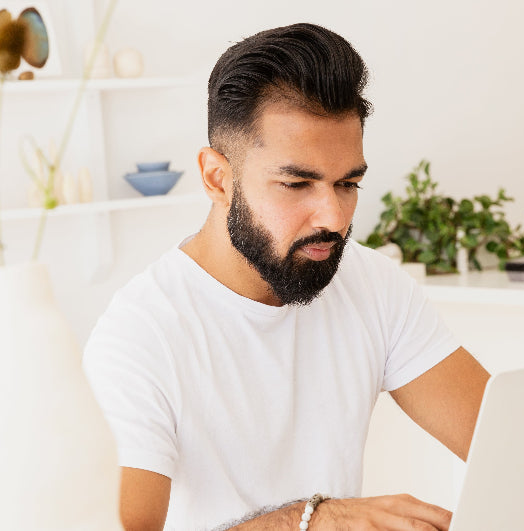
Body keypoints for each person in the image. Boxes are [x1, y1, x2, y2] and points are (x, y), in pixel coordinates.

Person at [83, 22, 490, 531]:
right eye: (297, 184)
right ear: (217, 178)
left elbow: (507, 446)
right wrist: (308, 522)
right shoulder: (139, 335)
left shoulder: (373, 285)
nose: (333, 217)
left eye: (348, 183)